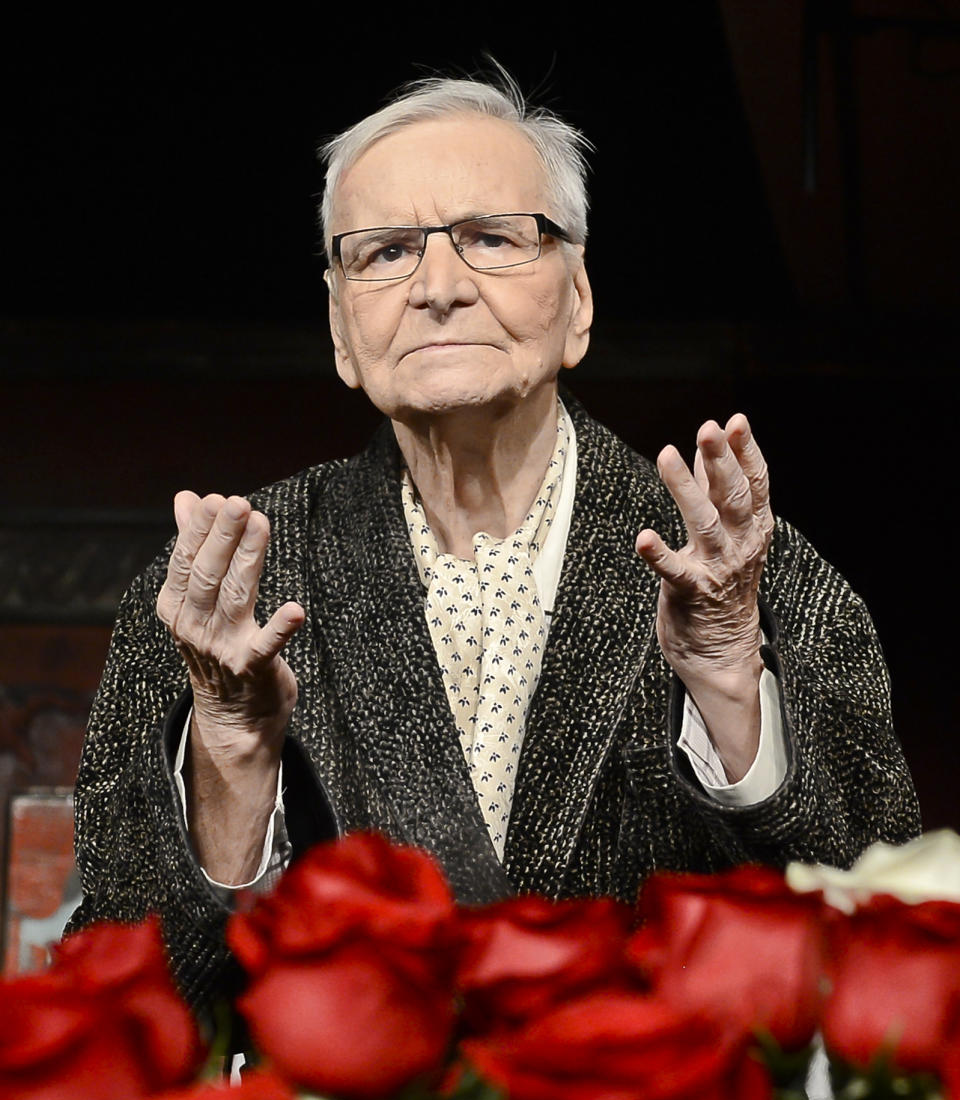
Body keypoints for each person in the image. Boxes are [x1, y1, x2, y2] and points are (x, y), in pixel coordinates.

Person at [70, 72, 919, 1008]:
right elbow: (129, 995)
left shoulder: (759, 578)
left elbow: (876, 951)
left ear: (580, 299)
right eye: (387, 252)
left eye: (489, 239)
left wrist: (725, 675)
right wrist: (230, 746)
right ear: (341, 326)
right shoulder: (219, 595)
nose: (438, 288)